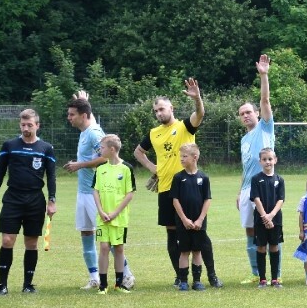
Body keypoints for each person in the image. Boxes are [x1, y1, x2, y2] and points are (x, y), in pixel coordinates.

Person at [134, 78, 220, 287]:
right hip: (167, 189)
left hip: (191, 189)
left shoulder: (184, 127)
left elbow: (200, 114)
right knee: (172, 234)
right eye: (156, 111)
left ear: (171, 108)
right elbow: (138, 152)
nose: (159, 113)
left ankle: (211, 275)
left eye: (162, 109)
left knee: (199, 234)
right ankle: (179, 277)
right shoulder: (153, 133)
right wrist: (155, 169)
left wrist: (197, 98)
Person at [65, 92, 134, 290]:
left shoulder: (94, 133)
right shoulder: (86, 130)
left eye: (72, 114)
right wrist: (85, 101)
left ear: (83, 115)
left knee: (108, 237)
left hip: (96, 193)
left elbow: (105, 158)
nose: (69, 118)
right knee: (86, 233)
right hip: (83, 191)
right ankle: (94, 277)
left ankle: (126, 275)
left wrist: (80, 165)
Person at [0, 109, 57, 294]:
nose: (26, 128)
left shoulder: (46, 148)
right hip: (13, 198)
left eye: (30, 125)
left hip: (35, 199)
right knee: (7, 240)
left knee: (31, 243)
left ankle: (28, 284)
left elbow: (51, 176)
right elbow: (0, 174)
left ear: (37, 125)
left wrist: (52, 200)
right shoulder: (9, 145)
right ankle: (2, 285)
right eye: (23, 125)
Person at [237, 55, 275, 285]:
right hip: (247, 191)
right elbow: (246, 167)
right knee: (250, 231)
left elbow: (265, 100)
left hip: (266, 189)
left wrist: (263, 75)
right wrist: (239, 191)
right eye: (242, 114)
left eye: (248, 112)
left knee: (270, 232)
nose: (245, 116)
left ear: (257, 114)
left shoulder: (265, 127)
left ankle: (274, 273)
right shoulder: (244, 140)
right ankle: (255, 273)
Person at [91, 134, 136, 293]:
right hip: (103, 217)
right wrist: (101, 211)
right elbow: (95, 191)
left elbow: (129, 193)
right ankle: (103, 285)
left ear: (112, 149)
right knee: (103, 247)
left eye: (102, 148)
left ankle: (119, 284)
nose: (99, 150)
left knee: (118, 248)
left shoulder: (126, 168)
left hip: (119, 218)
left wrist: (115, 212)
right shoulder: (100, 169)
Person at [170, 143, 212, 291]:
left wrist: (200, 219)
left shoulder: (204, 178)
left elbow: (207, 199)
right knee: (184, 251)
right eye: (180, 156)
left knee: (197, 251)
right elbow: (175, 200)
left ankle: (197, 281)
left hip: (199, 223)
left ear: (194, 158)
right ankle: (183, 281)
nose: (181, 159)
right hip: (183, 223)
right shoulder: (178, 178)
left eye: (184, 156)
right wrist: (184, 219)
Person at [251, 148, 285, 288]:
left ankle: (275, 279)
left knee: (274, 246)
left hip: (275, 219)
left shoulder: (279, 180)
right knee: (260, 247)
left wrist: (271, 216)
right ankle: (263, 279)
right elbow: (256, 198)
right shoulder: (256, 179)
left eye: (270, 159)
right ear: (260, 161)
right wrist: (265, 216)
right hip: (260, 219)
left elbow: (281, 200)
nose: (267, 162)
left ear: (275, 160)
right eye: (264, 159)